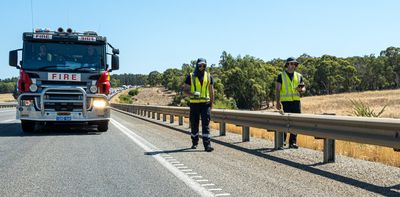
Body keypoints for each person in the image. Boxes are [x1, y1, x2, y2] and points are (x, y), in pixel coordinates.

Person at [183, 58, 215, 152]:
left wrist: (212, 104)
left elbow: (211, 91)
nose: (202, 67)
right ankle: (194, 142)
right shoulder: (191, 76)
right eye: (200, 65)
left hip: (206, 104)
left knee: (206, 125)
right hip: (194, 104)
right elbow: (185, 91)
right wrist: (193, 94)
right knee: (194, 124)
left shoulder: (209, 76)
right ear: (197, 65)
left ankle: (207, 145)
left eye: (204, 65)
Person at [275, 57, 306, 149]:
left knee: (296, 122)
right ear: (287, 64)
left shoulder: (299, 76)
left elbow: (303, 88)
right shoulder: (281, 75)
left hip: (296, 101)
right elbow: (277, 90)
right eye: (291, 63)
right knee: (286, 121)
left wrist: (301, 89)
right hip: (286, 102)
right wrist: (277, 102)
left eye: (295, 64)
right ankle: (283, 140)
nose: (293, 65)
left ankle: (292, 142)